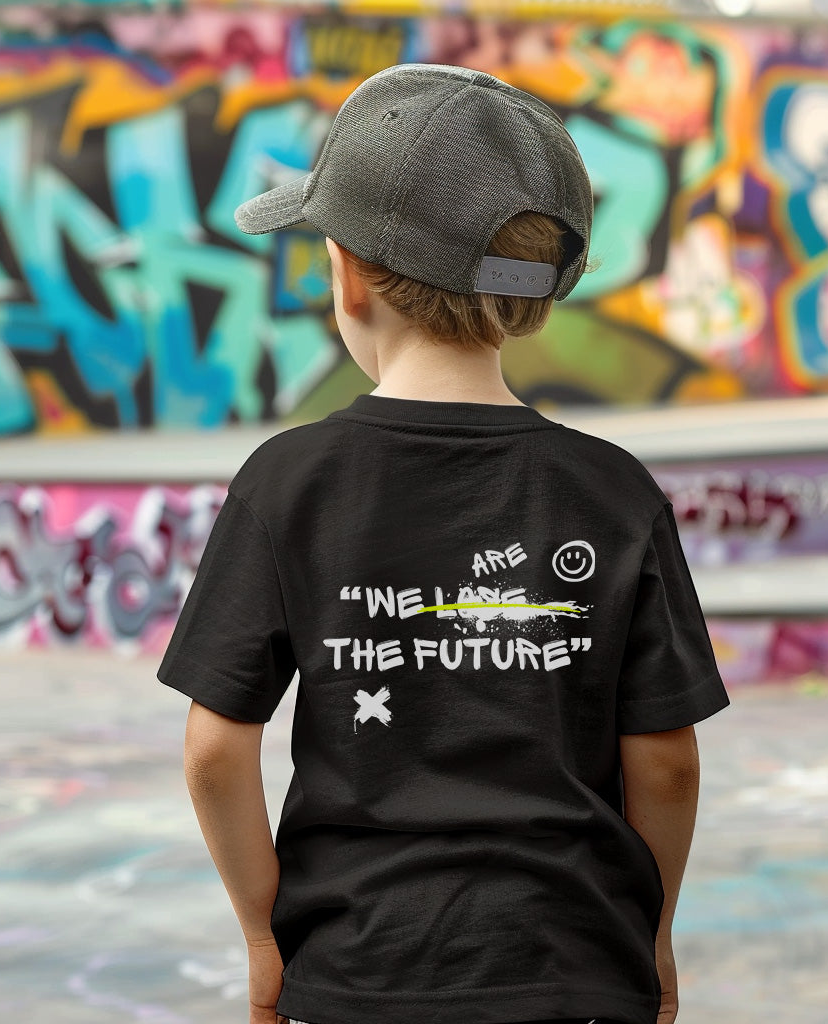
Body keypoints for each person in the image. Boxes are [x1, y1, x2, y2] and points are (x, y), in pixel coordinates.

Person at [156, 62, 731, 1024]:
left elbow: (217, 750)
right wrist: (652, 932)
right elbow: (665, 760)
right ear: (534, 296)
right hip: (574, 971)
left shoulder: (287, 482)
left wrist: (264, 933)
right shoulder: (614, 491)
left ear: (347, 274)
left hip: (358, 976)